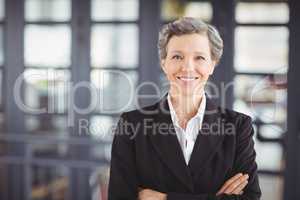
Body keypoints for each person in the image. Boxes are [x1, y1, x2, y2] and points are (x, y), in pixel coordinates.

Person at [108, 17, 261, 200]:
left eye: (199, 58)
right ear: (164, 63)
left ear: (212, 64)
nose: (187, 67)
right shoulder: (131, 124)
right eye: (177, 56)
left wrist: (166, 198)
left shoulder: (239, 127)